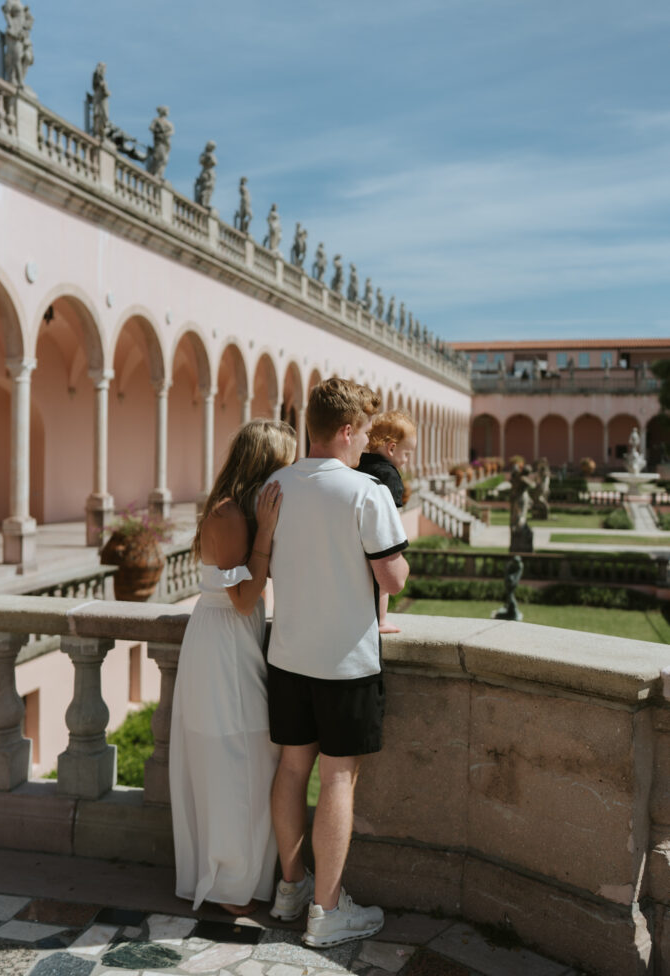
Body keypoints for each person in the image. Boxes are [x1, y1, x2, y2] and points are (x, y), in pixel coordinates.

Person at [265, 378, 410, 947]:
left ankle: (290, 888)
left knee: (291, 769)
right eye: (365, 434)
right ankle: (326, 912)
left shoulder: (275, 484)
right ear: (346, 430)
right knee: (340, 778)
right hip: (345, 662)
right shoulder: (365, 491)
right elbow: (393, 576)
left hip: (287, 656)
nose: (366, 446)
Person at [170, 419, 296, 916]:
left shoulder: (237, 509)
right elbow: (244, 600)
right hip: (224, 642)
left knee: (252, 756)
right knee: (234, 760)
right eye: (285, 464)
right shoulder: (228, 515)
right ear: (264, 464)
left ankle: (244, 878)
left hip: (235, 641)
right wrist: (266, 532)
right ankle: (228, 885)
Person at [357, 410, 417, 634]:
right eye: (407, 453)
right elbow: (390, 520)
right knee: (381, 582)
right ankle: (381, 620)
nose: (407, 460)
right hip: (375, 538)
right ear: (391, 448)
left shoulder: (358, 462)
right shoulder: (389, 475)